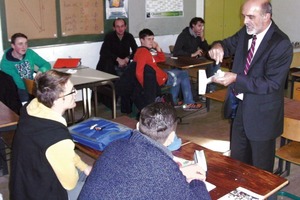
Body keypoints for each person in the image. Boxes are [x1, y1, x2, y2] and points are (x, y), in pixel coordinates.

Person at [208, 0, 293, 173]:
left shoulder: (281, 44)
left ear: (266, 17)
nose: (245, 20)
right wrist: (218, 46)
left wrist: (235, 79)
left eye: (250, 16)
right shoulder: (246, 32)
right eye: (244, 16)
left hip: (262, 117)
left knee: (261, 174)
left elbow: (271, 84)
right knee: (237, 166)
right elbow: (226, 43)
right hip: (240, 110)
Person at [78, 102, 210, 199]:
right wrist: (196, 180)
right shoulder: (163, 169)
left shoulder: (114, 146)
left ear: (137, 125)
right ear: (171, 137)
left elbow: (138, 175)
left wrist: (178, 174)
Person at [10, 70, 92, 200]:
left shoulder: (31, 110)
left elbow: (63, 152)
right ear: (58, 99)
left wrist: (84, 166)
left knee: (89, 173)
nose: (76, 93)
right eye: (72, 91)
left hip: (24, 188)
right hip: (46, 193)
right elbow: (70, 184)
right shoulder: (56, 136)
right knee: (100, 189)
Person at [134, 28, 202, 110]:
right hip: (160, 79)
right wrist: (146, 86)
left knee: (179, 75)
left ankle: (173, 101)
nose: (151, 41)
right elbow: (138, 72)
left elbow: (162, 59)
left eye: (152, 39)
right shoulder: (143, 53)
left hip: (160, 75)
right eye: (148, 39)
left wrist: (158, 47)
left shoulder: (143, 51)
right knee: (184, 73)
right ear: (142, 40)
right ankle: (188, 103)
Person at [173, 17, 220, 95]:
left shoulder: (198, 36)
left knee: (215, 63)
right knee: (209, 65)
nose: (201, 28)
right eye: (199, 26)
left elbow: (206, 49)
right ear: (193, 25)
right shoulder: (183, 35)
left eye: (202, 26)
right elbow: (176, 52)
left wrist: (202, 39)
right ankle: (206, 90)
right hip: (185, 61)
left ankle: (210, 90)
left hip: (195, 60)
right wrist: (192, 54)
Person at [0, 33, 51, 103]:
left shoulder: (30, 53)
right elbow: (20, 84)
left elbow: (46, 64)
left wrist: (41, 71)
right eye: (20, 44)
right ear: (13, 46)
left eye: (26, 43)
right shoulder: (6, 63)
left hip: (30, 85)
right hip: (18, 90)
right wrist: (36, 90)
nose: (24, 47)